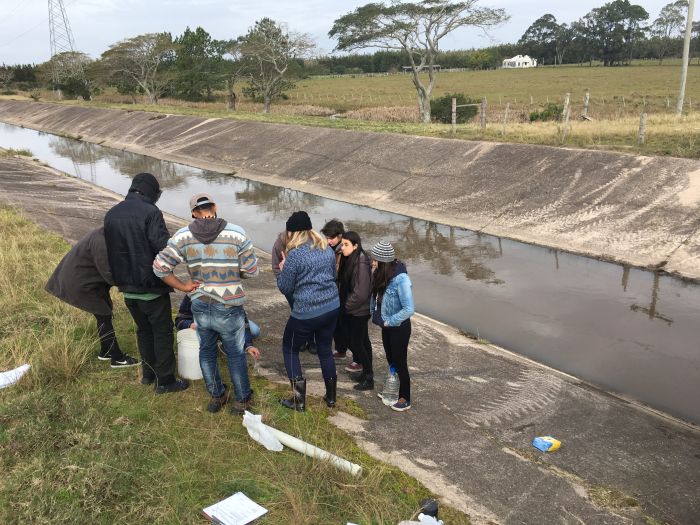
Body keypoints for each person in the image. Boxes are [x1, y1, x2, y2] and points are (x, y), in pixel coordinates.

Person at [153, 192, 259, 414]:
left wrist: (183, 287)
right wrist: (233, 271)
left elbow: (160, 267)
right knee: (235, 353)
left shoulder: (183, 236)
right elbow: (251, 271)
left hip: (200, 303)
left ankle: (217, 396)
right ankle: (242, 401)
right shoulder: (237, 233)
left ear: (194, 212)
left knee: (207, 351)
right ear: (214, 207)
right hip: (229, 304)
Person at [104, 172, 189, 394]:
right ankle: (166, 381)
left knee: (144, 331)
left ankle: (148, 375)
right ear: (152, 192)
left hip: (127, 289)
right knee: (162, 333)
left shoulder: (112, 213)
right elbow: (164, 248)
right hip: (151, 288)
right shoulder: (151, 212)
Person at [45, 227, 139, 368]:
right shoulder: (101, 241)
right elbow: (108, 273)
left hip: (86, 279)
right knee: (103, 315)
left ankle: (105, 351)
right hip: (79, 282)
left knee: (104, 314)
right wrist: (133, 283)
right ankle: (117, 358)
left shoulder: (107, 233)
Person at [276, 211, 340, 411]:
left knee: (290, 349)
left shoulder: (294, 255)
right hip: (331, 306)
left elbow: (285, 288)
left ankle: (299, 401)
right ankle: (331, 398)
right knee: (325, 350)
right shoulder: (326, 247)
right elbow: (333, 275)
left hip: (306, 311)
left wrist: (283, 269)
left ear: (293, 233)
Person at [369, 240, 415, 412]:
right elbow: (375, 297)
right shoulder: (380, 274)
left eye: (375, 260)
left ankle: (405, 397)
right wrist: (375, 315)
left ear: (383, 261)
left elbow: (409, 308)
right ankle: (392, 389)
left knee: (400, 361)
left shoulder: (401, 279)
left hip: (399, 327)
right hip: (386, 326)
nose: (372, 262)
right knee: (391, 359)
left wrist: (390, 321)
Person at [337, 231, 374, 390]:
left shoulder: (361, 263)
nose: (342, 247)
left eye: (346, 245)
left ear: (356, 246)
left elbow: (361, 293)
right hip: (355, 309)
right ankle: (366, 373)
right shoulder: (352, 258)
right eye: (342, 244)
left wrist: (346, 306)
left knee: (356, 343)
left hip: (359, 311)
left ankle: (369, 378)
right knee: (363, 342)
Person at [175, 295, 261, 357]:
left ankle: (224, 338)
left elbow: (243, 322)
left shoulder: (230, 292)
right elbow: (179, 321)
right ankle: (219, 339)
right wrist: (190, 324)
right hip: (203, 326)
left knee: (255, 331)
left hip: (225, 323)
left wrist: (249, 346)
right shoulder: (193, 294)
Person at [321, 219, 356, 369]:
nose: (328, 241)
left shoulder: (347, 251)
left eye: (331, 238)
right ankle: (341, 349)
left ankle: (358, 359)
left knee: (350, 328)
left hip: (347, 294)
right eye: (327, 238)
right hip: (336, 291)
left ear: (340, 236)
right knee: (337, 324)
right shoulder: (332, 248)